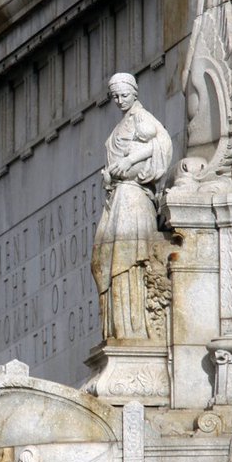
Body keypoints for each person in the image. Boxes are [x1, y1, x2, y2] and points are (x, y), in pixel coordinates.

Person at [90, 73, 172, 340]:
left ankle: (133, 328)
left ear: (134, 93)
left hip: (133, 198)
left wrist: (130, 160)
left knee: (127, 258)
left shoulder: (141, 118)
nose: (119, 100)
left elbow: (161, 143)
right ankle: (118, 327)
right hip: (119, 197)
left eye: (124, 95)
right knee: (103, 258)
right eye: (115, 96)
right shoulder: (123, 123)